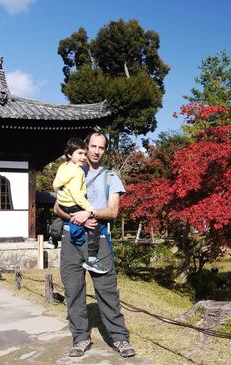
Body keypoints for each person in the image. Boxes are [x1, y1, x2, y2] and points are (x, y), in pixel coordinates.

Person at [54, 131, 135, 358]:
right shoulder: (70, 173)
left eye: (101, 147)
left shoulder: (111, 177)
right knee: (73, 290)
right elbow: (57, 208)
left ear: (104, 150)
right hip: (71, 238)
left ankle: (119, 338)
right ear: (85, 147)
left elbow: (113, 211)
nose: (97, 151)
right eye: (93, 146)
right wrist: (74, 216)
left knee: (107, 291)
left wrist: (90, 213)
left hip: (98, 239)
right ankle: (80, 338)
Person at [53, 137, 108, 274]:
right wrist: (89, 209)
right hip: (73, 202)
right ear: (70, 154)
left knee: (64, 217)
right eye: (79, 154)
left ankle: (53, 235)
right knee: (94, 225)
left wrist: (61, 195)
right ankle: (92, 259)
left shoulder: (63, 167)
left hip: (63, 203)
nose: (83, 157)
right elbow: (77, 194)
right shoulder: (77, 172)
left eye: (84, 153)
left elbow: (56, 185)